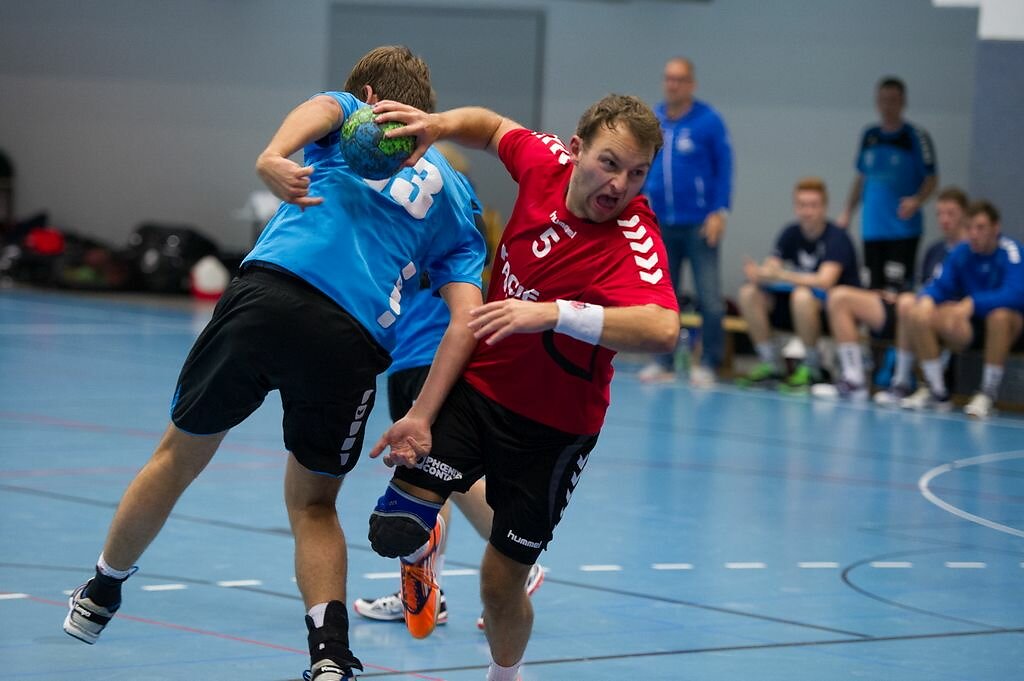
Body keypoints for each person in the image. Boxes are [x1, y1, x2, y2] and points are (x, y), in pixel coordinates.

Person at [61, 45, 487, 681]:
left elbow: (320, 108)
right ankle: (331, 657)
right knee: (315, 506)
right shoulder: (456, 193)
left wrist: (270, 157)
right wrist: (423, 414)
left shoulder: (350, 113)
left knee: (177, 457)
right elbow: (466, 320)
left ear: (371, 97)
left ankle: (100, 593)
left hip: (269, 293)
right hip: (350, 339)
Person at [365, 94, 679, 681]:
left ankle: (505, 675)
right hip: (479, 392)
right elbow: (490, 126)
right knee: (395, 527)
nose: (621, 184)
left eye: (637, 173)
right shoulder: (544, 162)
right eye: (610, 163)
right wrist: (438, 124)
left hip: (555, 432)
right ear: (576, 149)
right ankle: (421, 576)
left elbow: (663, 328)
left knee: (499, 582)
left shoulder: (635, 236)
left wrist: (556, 313)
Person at [353, 232, 544, 633]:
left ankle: (516, 564)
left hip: (435, 355)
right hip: (404, 356)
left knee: (440, 471)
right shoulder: (394, 206)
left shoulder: (445, 207)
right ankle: (427, 594)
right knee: (428, 479)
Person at [810, 186, 969, 402]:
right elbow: (925, 286)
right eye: (940, 213)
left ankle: (911, 384)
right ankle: (855, 380)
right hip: (911, 308)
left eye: (951, 213)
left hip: (945, 316)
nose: (944, 219)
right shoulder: (935, 250)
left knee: (908, 304)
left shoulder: (971, 251)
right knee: (840, 297)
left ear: (965, 215)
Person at [639, 56, 733, 386]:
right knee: (663, 294)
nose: (672, 84)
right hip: (662, 221)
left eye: (679, 79)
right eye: (668, 78)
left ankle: (708, 361)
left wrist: (720, 211)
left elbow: (724, 169)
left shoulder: (709, 121)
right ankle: (662, 361)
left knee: (709, 297)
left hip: (700, 223)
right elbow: (643, 163)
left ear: (691, 84)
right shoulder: (655, 119)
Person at [900, 200, 1023, 417]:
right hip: (973, 326)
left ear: (996, 228)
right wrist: (928, 298)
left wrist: (974, 302)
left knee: (999, 316)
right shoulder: (962, 252)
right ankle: (936, 391)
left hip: (1010, 326)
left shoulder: (1011, 251)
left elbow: (1016, 294)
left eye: (980, 228)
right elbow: (940, 284)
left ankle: (988, 393)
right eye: (970, 228)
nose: (974, 234)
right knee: (917, 313)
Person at [734, 177, 859, 391]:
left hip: (831, 313)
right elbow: (773, 268)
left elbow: (824, 280)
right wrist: (759, 274)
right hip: (792, 310)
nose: (807, 211)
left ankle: (812, 367)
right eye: (802, 205)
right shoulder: (790, 233)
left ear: (824, 207)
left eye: (813, 205)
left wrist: (782, 275)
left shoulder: (837, 238)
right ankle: (770, 364)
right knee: (748, 293)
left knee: (802, 295)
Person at [836, 76, 938, 293]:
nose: (887, 106)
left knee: (897, 292)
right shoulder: (869, 135)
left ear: (903, 103)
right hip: (872, 227)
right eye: (883, 100)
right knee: (872, 289)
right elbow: (861, 177)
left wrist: (917, 201)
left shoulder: (916, 137)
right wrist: (847, 211)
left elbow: (932, 179)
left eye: (893, 100)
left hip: (902, 229)